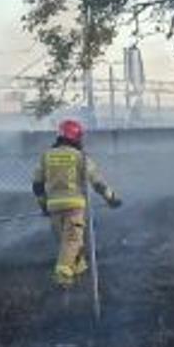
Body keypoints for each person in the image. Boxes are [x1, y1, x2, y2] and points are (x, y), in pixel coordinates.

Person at [32, 119, 121, 288]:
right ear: (76, 137)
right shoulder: (80, 157)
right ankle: (63, 275)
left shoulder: (46, 156)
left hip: (54, 207)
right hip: (74, 206)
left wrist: (43, 206)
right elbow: (98, 183)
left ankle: (79, 275)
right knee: (72, 240)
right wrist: (111, 198)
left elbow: (37, 185)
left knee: (69, 245)